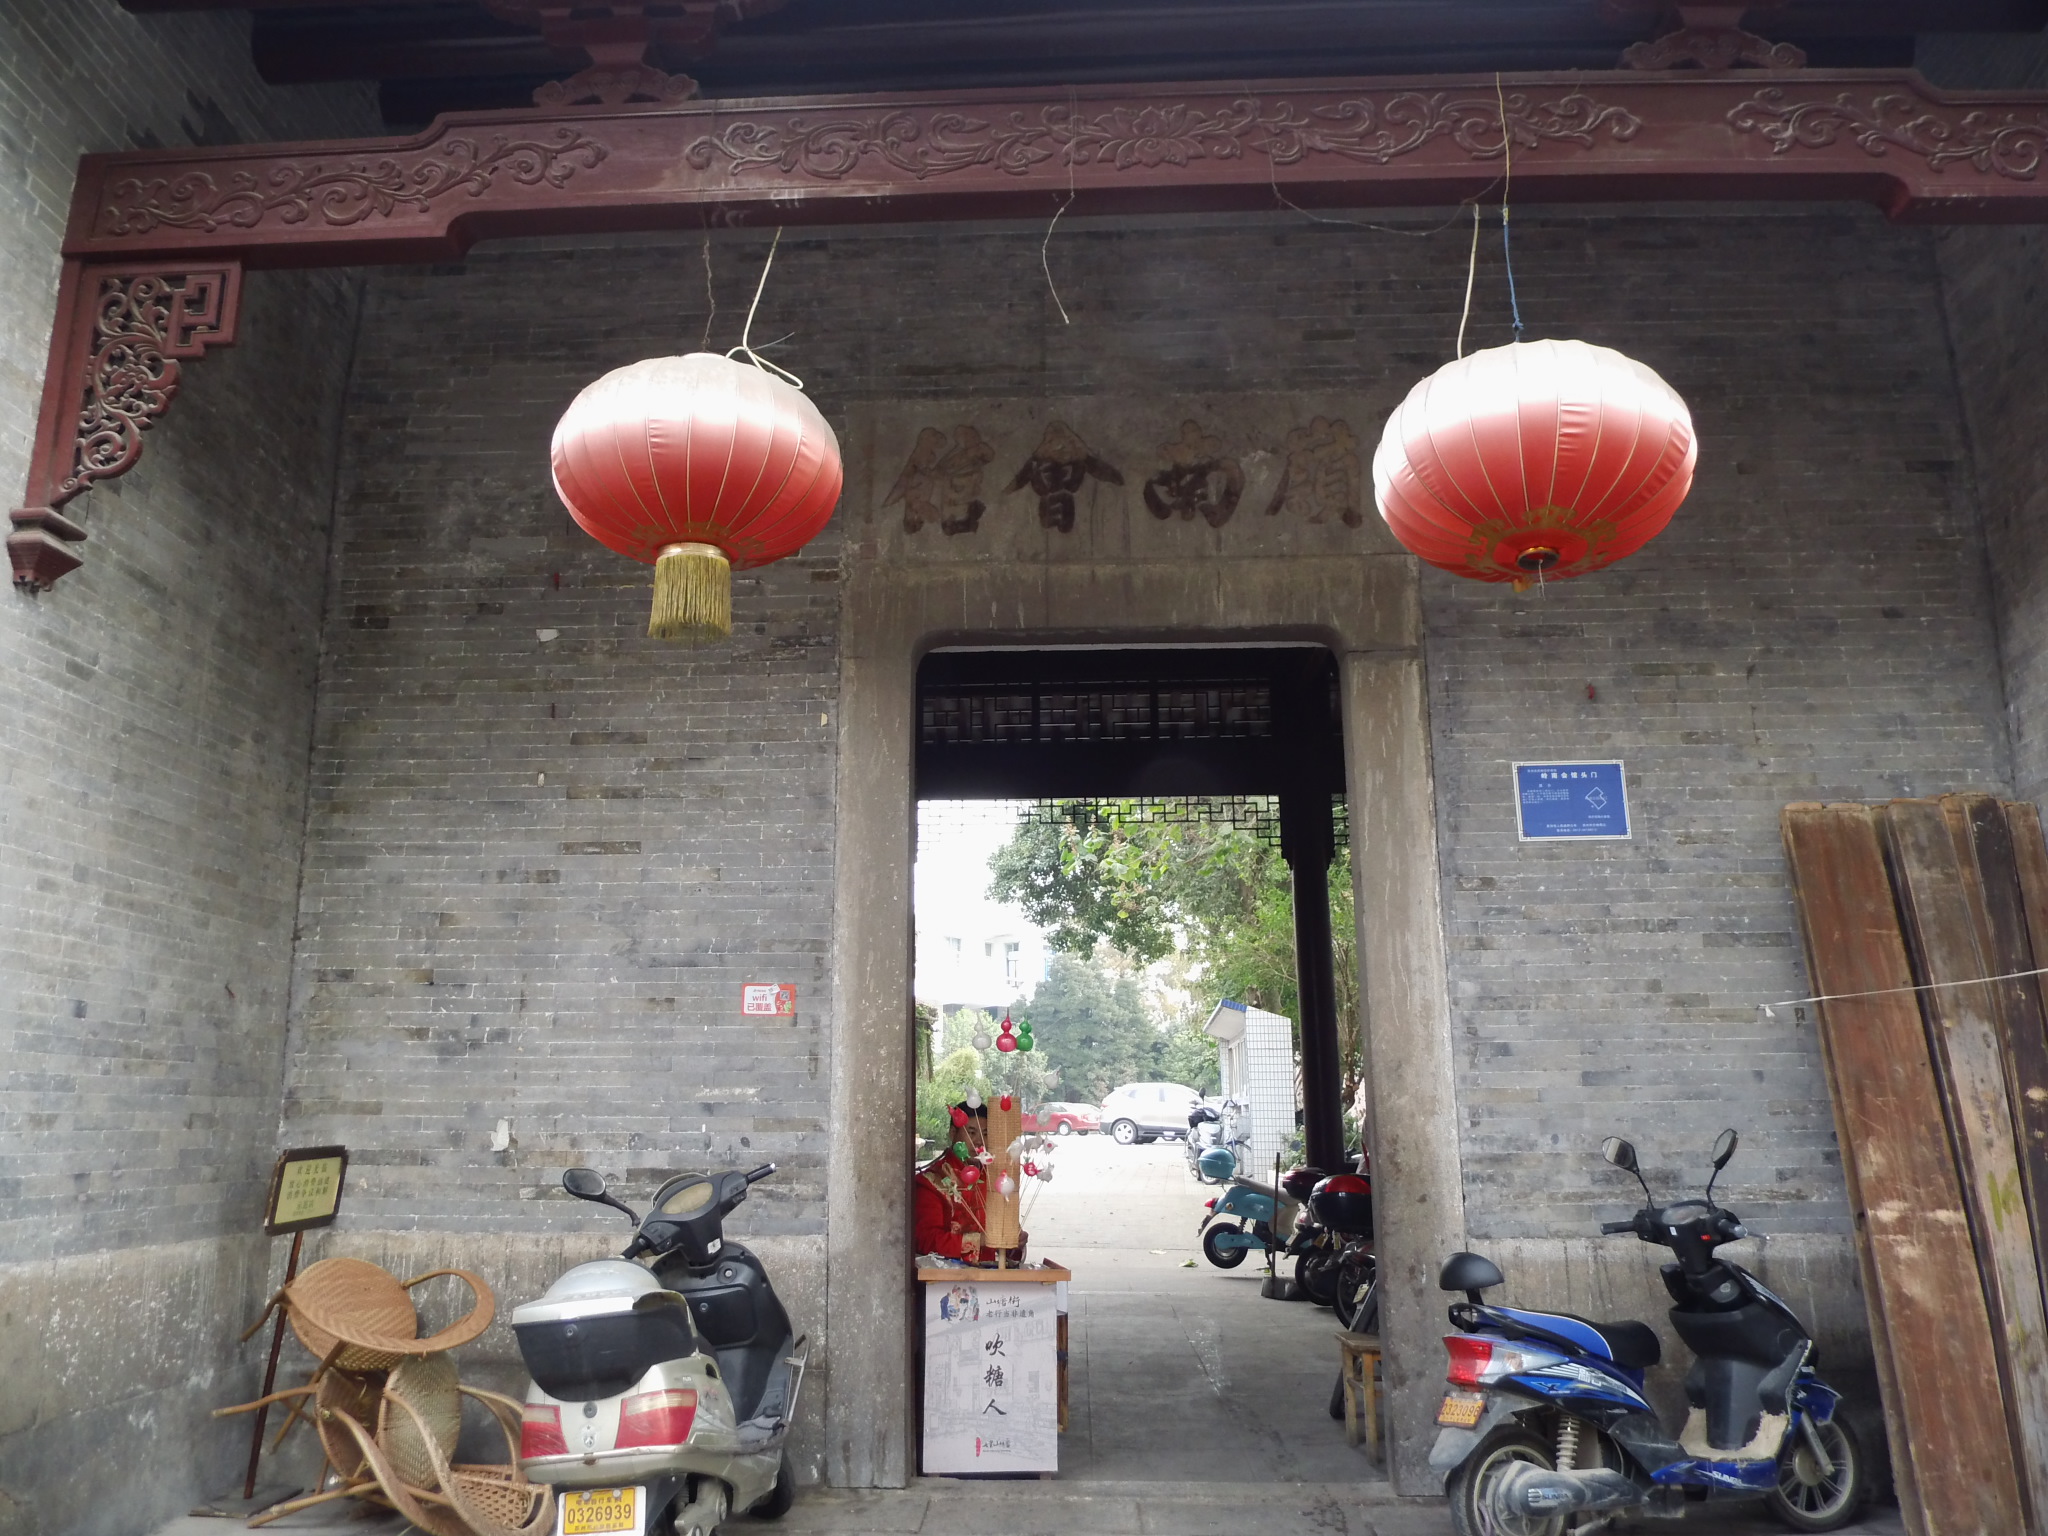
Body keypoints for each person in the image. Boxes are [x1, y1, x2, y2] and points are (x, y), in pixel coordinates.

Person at [914, 1100, 989, 1259]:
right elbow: (926, 1240)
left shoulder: (993, 1179)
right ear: (953, 1133)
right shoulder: (932, 1181)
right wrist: (979, 1241)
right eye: (972, 1133)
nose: (979, 1141)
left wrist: (1014, 1242)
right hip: (948, 1273)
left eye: (985, 1134)